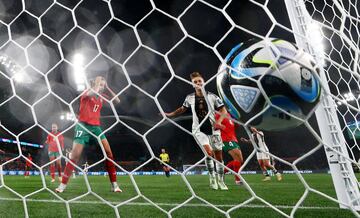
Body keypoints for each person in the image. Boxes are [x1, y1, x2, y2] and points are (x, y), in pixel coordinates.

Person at [56, 76, 122, 193]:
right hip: (83, 126)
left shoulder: (101, 96)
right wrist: (96, 84)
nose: (101, 87)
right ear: (94, 84)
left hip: (96, 128)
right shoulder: (87, 93)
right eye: (100, 85)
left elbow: (117, 101)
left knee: (109, 153)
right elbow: (93, 91)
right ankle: (62, 186)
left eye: (103, 85)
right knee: (74, 156)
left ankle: (114, 185)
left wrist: (107, 88)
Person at [164, 72, 228, 190]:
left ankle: (221, 180)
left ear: (203, 82)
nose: (198, 83)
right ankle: (212, 178)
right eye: (195, 82)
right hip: (198, 130)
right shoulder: (190, 98)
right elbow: (182, 109)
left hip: (214, 129)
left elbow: (223, 110)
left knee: (218, 156)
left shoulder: (213, 96)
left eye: (200, 81)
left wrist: (219, 122)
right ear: (192, 84)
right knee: (209, 153)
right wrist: (169, 114)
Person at [214, 112, 244, 185]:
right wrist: (220, 126)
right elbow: (214, 126)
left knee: (240, 160)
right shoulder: (217, 114)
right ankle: (237, 180)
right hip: (226, 139)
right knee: (238, 159)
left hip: (233, 139)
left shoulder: (229, 115)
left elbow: (233, 126)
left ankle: (221, 172)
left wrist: (236, 124)